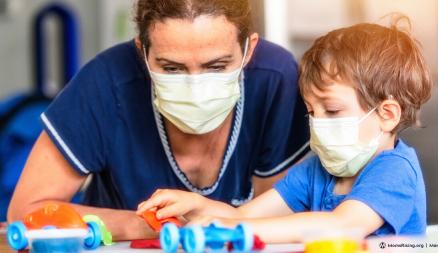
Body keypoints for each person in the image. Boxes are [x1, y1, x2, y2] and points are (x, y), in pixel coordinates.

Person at [7, 0, 309, 240]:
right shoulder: (106, 84)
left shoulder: (274, 80)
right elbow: (25, 211)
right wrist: (146, 226)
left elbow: (284, 210)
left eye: (216, 66)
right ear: (143, 52)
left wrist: (216, 223)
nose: (196, 87)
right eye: (172, 68)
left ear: (248, 50)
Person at [136, 18, 433, 243]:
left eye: (332, 110)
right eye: (312, 111)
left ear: (387, 115)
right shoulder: (317, 172)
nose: (317, 123)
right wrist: (198, 207)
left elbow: (344, 226)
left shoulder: (395, 171)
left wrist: (230, 228)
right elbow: (244, 217)